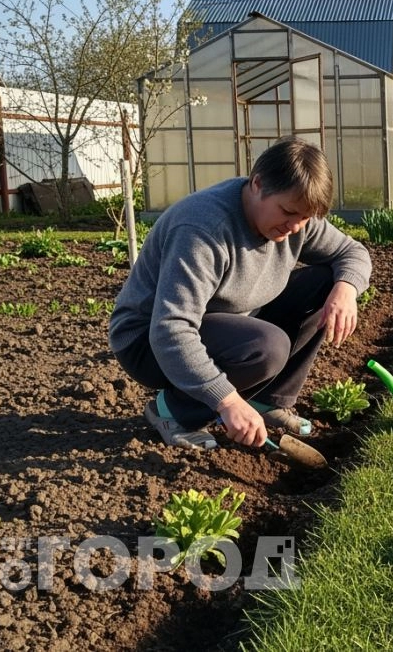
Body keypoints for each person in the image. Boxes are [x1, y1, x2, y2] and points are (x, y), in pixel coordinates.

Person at [108, 136, 372, 462]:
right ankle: (173, 410)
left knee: (325, 281)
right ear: (257, 184)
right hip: (148, 342)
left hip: (224, 323)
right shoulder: (203, 229)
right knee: (267, 347)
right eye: (288, 212)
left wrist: (346, 289)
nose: (295, 227)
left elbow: (352, 252)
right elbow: (170, 329)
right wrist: (228, 401)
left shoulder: (297, 220)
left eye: (304, 218)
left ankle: (267, 400)